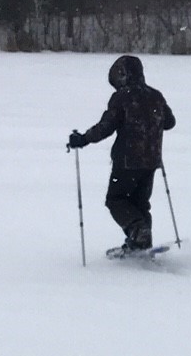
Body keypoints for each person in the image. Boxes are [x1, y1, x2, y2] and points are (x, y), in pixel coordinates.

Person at [67, 55, 175, 251]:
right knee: (140, 203)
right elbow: (169, 122)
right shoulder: (156, 96)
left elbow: (106, 127)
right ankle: (141, 242)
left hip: (127, 160)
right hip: (151, 161)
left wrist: (83, 139)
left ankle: (137, 230)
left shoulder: (122, 98)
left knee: (116, 200)